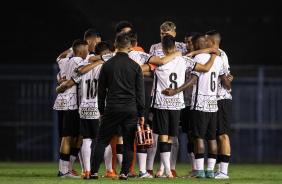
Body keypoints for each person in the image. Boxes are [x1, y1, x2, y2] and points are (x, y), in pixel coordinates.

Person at [163, 33, 231, 179]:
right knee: (211, 138)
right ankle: (210, 171)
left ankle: (199, 171)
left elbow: (193, 79)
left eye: (192, 44)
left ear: (197, 44)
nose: (190, 46)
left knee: (198, 137)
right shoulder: (218, 59)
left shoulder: (198, 58)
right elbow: (226, 82)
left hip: (199, 104)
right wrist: (229, 81)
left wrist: (176, 90)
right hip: (213, 104)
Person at [56, 41, 119, 179]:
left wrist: (60, 86)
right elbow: (108, 88)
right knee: (104, 140)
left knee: (86, 140)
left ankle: (87, 171)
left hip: (84, 108)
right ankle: (109, 171)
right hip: (99, 108)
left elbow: (71, 81)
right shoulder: (105, 67)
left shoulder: (83, 66)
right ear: (106, 54)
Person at [88, 32, 145, 180]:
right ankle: (124, 173)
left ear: (115, 45)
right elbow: (140, 92)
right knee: (128, 143)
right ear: (130, 47)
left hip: (112, 107)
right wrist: (142, 113)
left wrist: (101, 110)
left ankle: (93, 172)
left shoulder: (107, 65)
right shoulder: (135, 66)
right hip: (130, 108)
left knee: (101, 141)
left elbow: (101, 90)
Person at [147, 21, 187, 178]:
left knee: (172, 135)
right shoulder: (154, 47)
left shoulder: (182, 48)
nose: (164, 37)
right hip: (158, 95)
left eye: (167, 34)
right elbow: (152, 68)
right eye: (162, 34)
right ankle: (155, 169)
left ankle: (169, 168)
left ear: (174, 34)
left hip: (173, 96)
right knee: (155, 135)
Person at [56, 39, 88, 178]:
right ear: (80, 52)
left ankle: (66, 169)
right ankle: (64, 171)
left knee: (73, 136)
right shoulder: (79, 61)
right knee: (68, 136)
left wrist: (72, 47)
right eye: (86, 50)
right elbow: (81, 73)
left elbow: (59, 57)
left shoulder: (64, 61)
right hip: (72, 102)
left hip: (61, 102)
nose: (88, 53)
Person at [206, 30, 232, 179]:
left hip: (222, 98)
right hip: (215, 99)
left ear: (214, 43)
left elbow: (226, 83)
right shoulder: (215, 55)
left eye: (207, 41)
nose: (205, 43)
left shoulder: (219, 54)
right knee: (216, 134)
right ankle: (219, 169)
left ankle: (224, 171)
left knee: (223, 135)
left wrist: (228, 82)